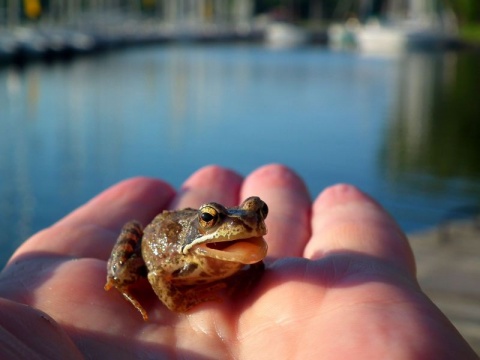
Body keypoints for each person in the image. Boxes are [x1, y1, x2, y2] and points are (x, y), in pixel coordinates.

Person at [0, 164, 476, 359]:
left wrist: (245, 275)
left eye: (256, 215)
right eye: (217, 217)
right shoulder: (183, 245)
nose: (247, 226)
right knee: (127, 270)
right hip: (165, 247)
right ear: (205, 220)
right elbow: (166, 279)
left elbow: (256, 260)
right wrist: (189, 298)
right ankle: (122, 278)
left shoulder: (249, 244)